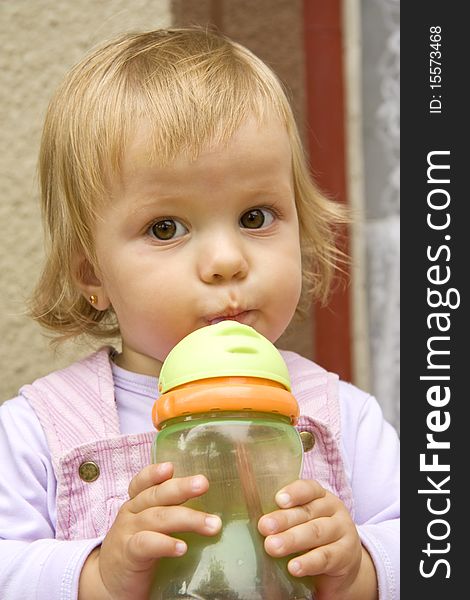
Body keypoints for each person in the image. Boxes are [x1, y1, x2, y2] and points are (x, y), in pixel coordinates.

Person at [0, 27, 399, 600]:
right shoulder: (40, 433)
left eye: (257, 217)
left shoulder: (340, 419)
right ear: (92, 274)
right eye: (166, 228)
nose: (226, 261)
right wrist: (98, 577)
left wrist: (361, 567)